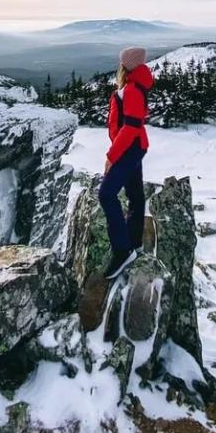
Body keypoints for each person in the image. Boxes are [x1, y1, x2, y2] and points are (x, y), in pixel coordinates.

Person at [98, 45, 154, 279]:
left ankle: (123, 250)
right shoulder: (136, 86)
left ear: (126, 65)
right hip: (136, 147)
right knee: (135, 194)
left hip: (130, 148)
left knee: (106, 194)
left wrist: (112, 156)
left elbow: (130, 127)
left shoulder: (131, 89)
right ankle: (134, 241)